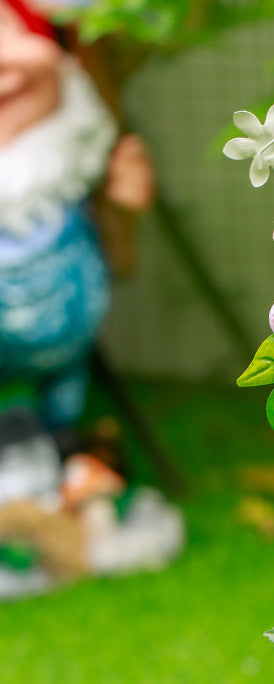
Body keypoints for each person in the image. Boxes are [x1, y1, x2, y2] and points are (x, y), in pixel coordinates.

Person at [0, 0, 153, 444]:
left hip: (63, 342)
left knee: (56, 419)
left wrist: (125, 210)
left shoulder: (66, 163)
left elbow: (122, 261)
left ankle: (58, 446)